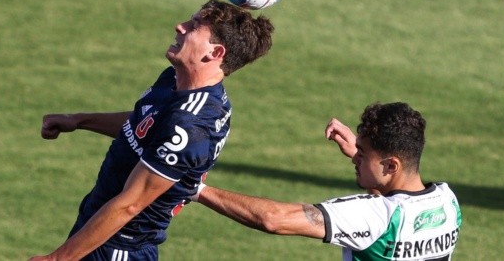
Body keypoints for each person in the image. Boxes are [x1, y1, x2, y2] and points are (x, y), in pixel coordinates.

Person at [28, 0, 275, 261]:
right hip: (95, 230)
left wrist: (58, 259)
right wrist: (80, 121)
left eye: (193, 27)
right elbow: (144, 124)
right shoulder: (174, 81)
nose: (179, 27)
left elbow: (130, 205)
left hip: (118, 248)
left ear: (215, 53)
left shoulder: (190, 127)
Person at [191, 102, 462, 261]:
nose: (357, 159)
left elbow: (273, 218)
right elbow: (394, 213)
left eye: (363, 154)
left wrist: (195, 189)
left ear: (391, 165)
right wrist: (362, 156)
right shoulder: (448, 203)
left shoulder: (372, 215)